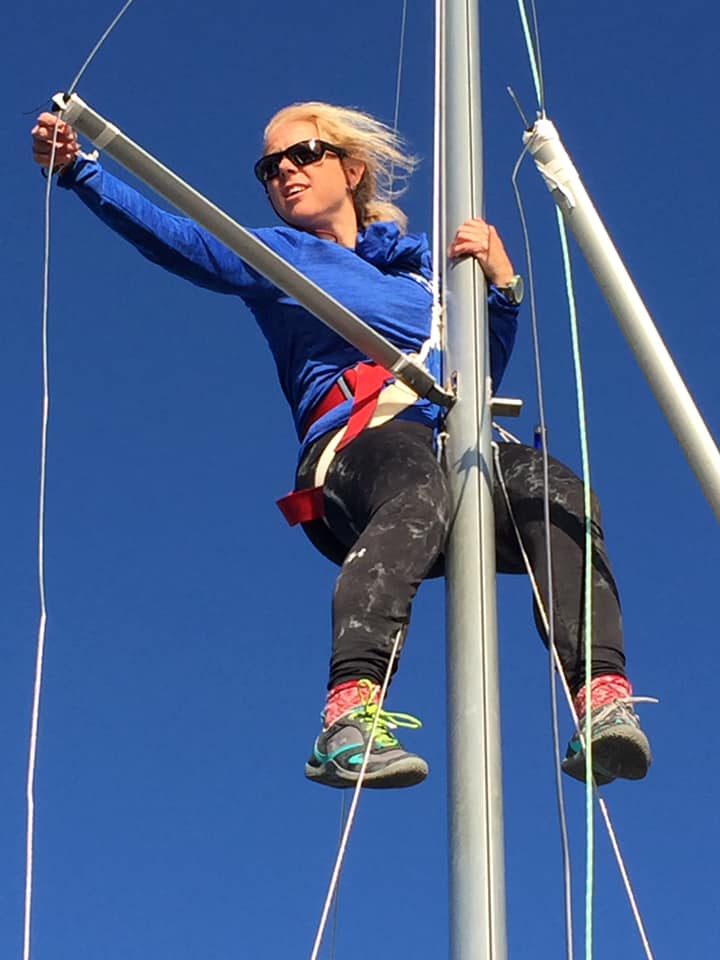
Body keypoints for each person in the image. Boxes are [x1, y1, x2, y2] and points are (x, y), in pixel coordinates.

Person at [31, 102, 651, 790]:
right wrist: (82, 172)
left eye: (302, 156)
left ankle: (600, 700)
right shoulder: (281, 256)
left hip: (449, 435)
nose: (283, 174)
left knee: (558, 491)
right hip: (357, 450)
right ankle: (348, 718)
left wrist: (502, 290)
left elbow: (475, 370)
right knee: (416, 486)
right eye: (270, 167)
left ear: (351, 169)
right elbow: (183, 239)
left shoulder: (423, 270)